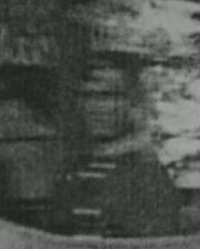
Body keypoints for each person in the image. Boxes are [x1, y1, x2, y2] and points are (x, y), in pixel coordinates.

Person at [52, 62, 184, 237]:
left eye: (107, 96)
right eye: (87, 96)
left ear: (133, 104)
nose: (95, 107)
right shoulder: (74, 168)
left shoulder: (147, 175)